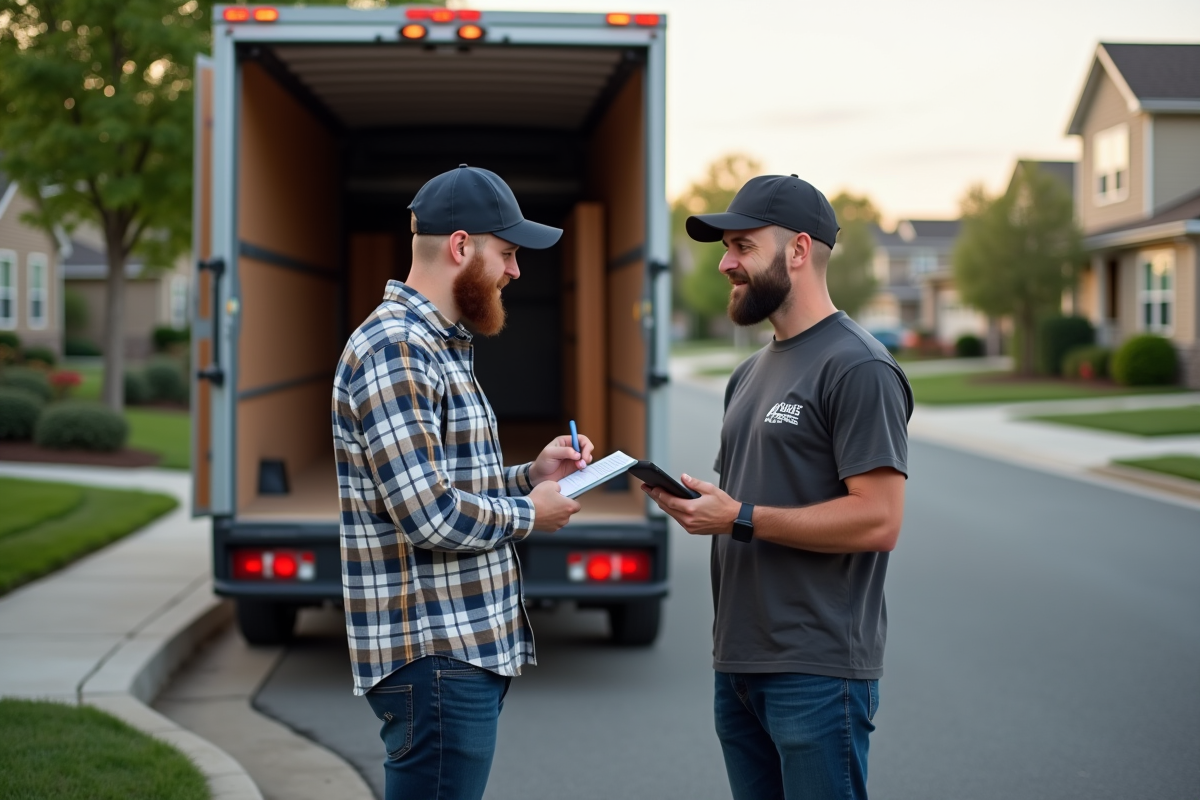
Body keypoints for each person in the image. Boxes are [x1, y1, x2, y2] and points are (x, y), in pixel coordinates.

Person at [642, 174, 913, 800]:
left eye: (742, 246)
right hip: (739, 663)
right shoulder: (748, 373)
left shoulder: (859, 367)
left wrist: (739, 517)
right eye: (726, 247)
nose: (725, 262)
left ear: (797, 250)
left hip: (816, 672)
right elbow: (752, 502)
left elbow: (879, 520)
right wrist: (708, 509)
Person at [331, 164, 593, 800]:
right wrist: (533, 512)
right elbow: (428, 514)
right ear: (460, 246)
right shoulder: (396, 348)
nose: (515, 270)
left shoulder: (438, 344)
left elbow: (448, 480)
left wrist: (532, 474)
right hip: (436, 655)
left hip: (456, 651)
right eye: (506, 253)